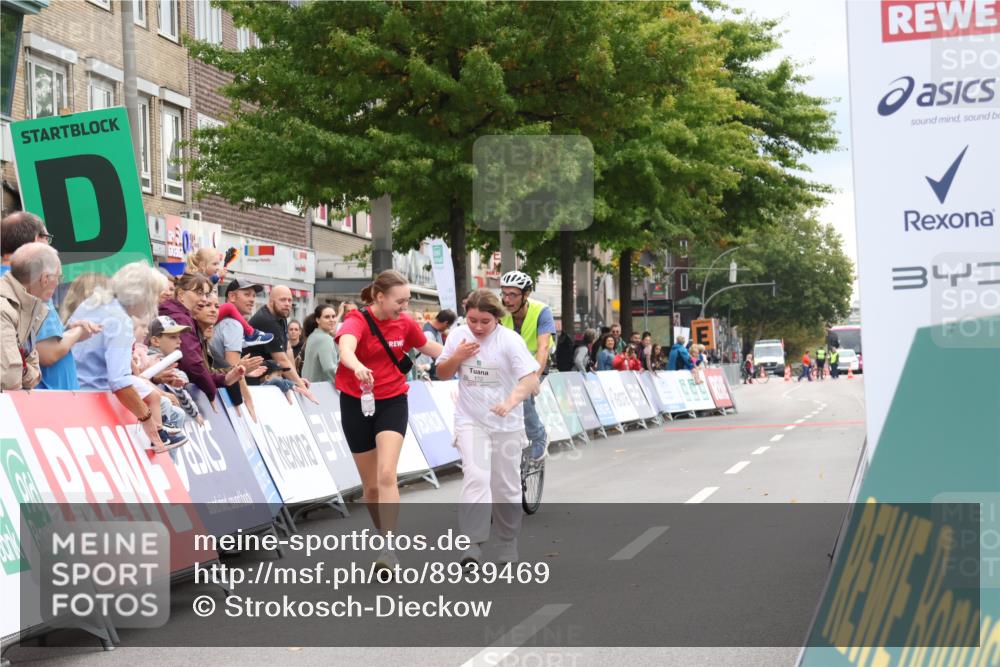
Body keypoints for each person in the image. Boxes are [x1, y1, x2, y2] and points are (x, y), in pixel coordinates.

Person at [335, 270, 443, 571]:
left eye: (407, 301)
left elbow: (430, 348)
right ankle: (384, 535)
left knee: (386, 475)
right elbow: (346, 349)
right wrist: (357, 367)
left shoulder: (405, 322)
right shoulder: (356, 321)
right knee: (370, 488)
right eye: (400, 301)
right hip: (355, 401)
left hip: (393, 400)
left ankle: (389, 549)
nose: (404, 307)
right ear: (380, 297)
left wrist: (463, 355)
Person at [434, 289, 540, 565]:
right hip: (471, 419)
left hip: (506, 422)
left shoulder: (510, 341)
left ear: (497, 319)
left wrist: (510, 401)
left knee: (504, 485)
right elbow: (442, 372)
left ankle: (507, 542)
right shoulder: (458, 335)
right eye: (472, 320)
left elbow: (530, 381)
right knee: (476, 476)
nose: (477, 327)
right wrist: (457, 356)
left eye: (484, 321)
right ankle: (472, 544)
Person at [69, 262, 190, 451]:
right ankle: (160, 432)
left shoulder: (93, 303)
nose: (157, 304)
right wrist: (147, 418)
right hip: (93, 396)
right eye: (154, 297)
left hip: (71, 391)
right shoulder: (120, 320)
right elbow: (119, 380)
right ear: (141, 295)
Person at [160, 272, 252, 403]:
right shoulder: (180, 318)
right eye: (199, 293)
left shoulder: (184, 317)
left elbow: (202, 369)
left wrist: (226, 378)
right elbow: (193, 365)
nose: (204, 299)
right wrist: (211, 392)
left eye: (205, 294)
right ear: (181, 294)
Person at [499, 271, 555, 462]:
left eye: (512, 295)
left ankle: (538, 436)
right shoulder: (499, 312)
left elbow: (543, 347)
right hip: (509, 364)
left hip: (535, 363)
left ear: (526, 295)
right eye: (504, 294)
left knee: (524, 395)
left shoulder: (542, 311)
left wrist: (533, 379)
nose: (507, 300)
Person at [1, 243, 59, 390]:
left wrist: (23, 369)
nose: (58, 283)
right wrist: (24, 369)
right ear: (45, 278)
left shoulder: (30, 307)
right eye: (58, 277)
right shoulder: (4, 309)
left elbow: (35, 375)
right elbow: (10, 378)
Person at [188, 249, 273, 347]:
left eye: (218, 264)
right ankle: (250, 334)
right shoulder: (197, 278)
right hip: (198, 315)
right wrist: (217, 276)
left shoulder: (207, 278)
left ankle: (249, 334)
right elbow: (203, 286)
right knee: (229, 307)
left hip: (204, 315)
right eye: (214, 264)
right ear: (202, 265)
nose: (217, 268)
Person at [247, 285, 311, 393]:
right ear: (271, 301)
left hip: (267, 379)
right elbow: (281, 360)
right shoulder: (266, 320)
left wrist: (296, 380)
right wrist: (303, 389)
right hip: (254, 383)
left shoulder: (280, 316)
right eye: (282, 300)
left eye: (290, 300)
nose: (287, 304)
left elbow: (287, 350)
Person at [145, 316, 203, 426]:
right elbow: (179, 391)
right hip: (151, 417)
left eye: (179, 337)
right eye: (173, 337)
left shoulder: (155, 358)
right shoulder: (157, 362)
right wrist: (195, 413)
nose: (179, 341)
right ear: (155, 340)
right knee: (179, 415)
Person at [301, 304, 341, 383]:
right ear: (318, 320)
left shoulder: (313, 336)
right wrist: (345, 383)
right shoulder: (325, 339)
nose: (332, 320)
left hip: (310, 386)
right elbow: (329, 368)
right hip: (322, 389)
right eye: (327, 317)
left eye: (333, 316)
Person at [417, 309, 456, 380]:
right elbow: (425, 360)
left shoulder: (436, 331)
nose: (447, 329)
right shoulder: (428, 334)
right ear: (445, 323)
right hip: (427, 374)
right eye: (448, 326)